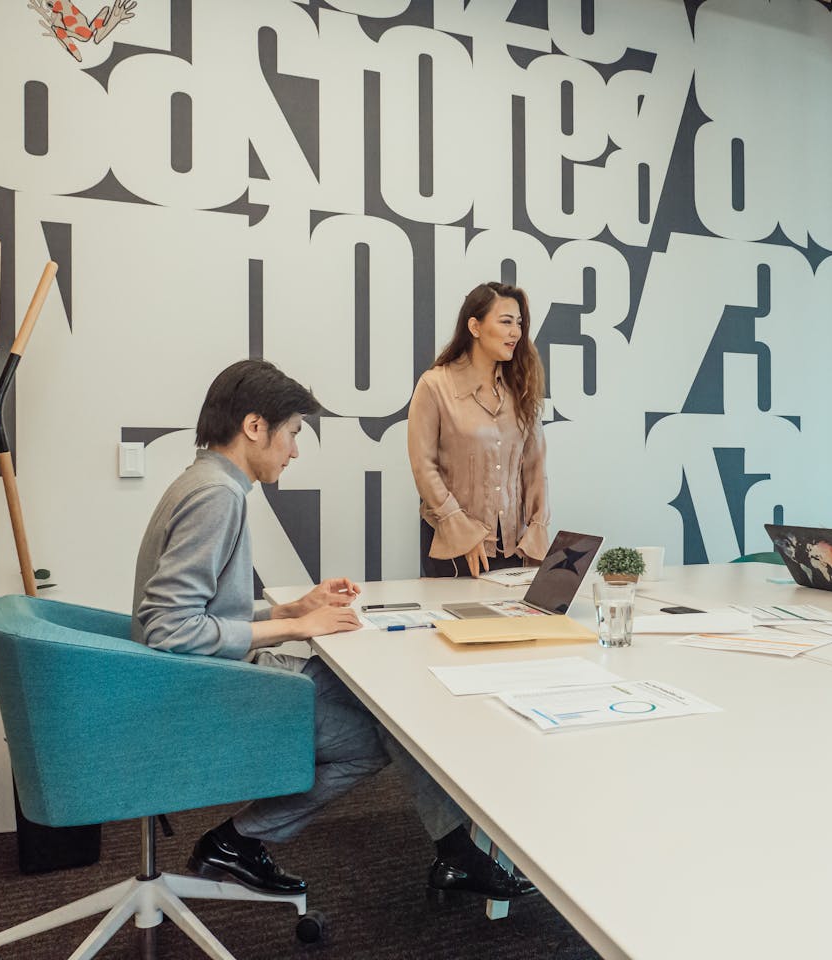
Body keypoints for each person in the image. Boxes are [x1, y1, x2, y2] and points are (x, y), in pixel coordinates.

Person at [132, 359, 532, 900]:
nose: (294, 450)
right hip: (207, 693)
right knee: (378, 734)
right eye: (293, 433)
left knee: (383, 699)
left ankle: (455, 853)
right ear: (255, 427)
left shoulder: (204, 481)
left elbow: (197, 614)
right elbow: (168, 630)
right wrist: (293, 628)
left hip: (207, 677)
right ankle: (239, 838)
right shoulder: (216, 497)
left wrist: (292, 611)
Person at [408, 281, 549, 578]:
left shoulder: (522, 390)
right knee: (457, 622)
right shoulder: (434, 385)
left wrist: (536, 532)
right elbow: (424, 467)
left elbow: (535, 469)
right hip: (454, 548)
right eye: (506, 322)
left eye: (519, 324)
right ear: (475, 326)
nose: (516, 332)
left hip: (515, 548)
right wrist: (463, 533)